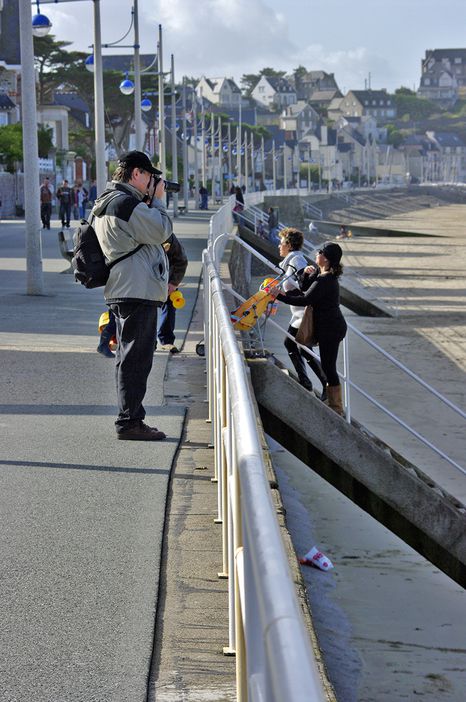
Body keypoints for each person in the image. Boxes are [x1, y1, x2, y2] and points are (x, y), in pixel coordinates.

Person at [92, 149, 174, 441]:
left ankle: (130, 419)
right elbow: (161, 230)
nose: (153, 182)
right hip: (136, 290)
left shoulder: (108, 200)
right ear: (136, 173)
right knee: (137, 359)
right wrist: (160, 202)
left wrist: (150, 201)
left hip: (126, 288)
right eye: (150, 176)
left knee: (129, 356)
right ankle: (130, 422)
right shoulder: (126, 203)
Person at [271, 241, 347, 415]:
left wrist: (279, 296)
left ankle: (336, 407)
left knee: (329, 367)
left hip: (332, 328)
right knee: (327, 366)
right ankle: (330, 401)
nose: (316, 254)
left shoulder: (327, 279)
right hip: (327, 327)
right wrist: (306, 274)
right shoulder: (321, 275)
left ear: (326, 259)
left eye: (320, 252)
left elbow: (305, 299)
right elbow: (305, 289)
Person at [277, 228, 327, 399]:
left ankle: (322, 384)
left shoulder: (297, 260)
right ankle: (309, 382)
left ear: (289, 245)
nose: (279, 246)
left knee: (300, 346)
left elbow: (304, 282)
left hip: (303, 312)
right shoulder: (292, 260)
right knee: (294, 345)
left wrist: (306, 273)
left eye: (281, 242)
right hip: (297, 312)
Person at [156, 235, 188, 353]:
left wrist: (173, 283)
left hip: (167, 280)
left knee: (169, 308)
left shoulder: (168, 236)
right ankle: (148, 342)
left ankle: (167, 341)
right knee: (146, 312)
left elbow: (181, 260)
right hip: (145, 281)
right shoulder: (138, 232)